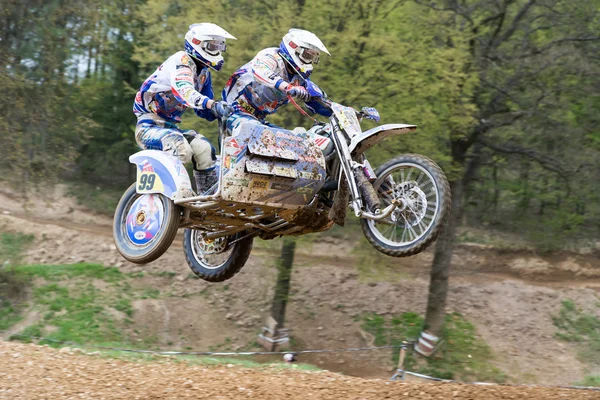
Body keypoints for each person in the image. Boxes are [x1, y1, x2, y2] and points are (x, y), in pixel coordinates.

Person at [133, 23, 235, 196]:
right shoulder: (181, 60)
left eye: (220, 46)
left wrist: (222, 110)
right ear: (197, 43)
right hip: (149, 126)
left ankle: (208, 198)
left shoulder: (204, 73)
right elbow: (185, 92)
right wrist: (211, 104)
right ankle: (177, 193)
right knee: (181, 148)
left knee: (204, 148)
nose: (217, 50)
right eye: (212, 45)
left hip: (172, 127)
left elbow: (203, 110)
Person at [222, 28, 332, 136]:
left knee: (294, 142)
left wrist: (335, 110)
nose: (310, 61)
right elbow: (261, 71)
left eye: (313, 58)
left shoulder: (299, 77)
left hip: (258, 119)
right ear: (294, 48)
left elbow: (318, 102)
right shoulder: (271, 56)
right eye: (307, 55)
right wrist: (287, 87)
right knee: (265, 136)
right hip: (235, 111)